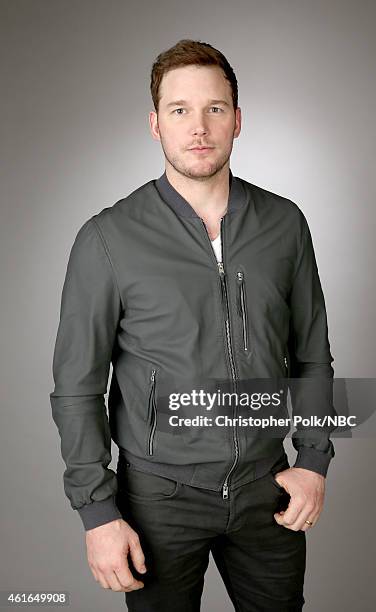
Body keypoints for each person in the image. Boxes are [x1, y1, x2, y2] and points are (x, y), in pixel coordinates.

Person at [50, 38, 335, 612]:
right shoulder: (107, 238)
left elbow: (311, 357)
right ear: (156, 124)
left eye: (215, 108)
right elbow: (78, 386)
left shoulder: (284, 224)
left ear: (237, 120)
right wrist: (97, 512)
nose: (198, 127)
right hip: (159, 499)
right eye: (180, 110)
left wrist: (312, 460)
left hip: (268, 492)